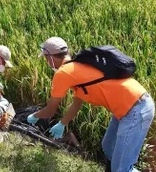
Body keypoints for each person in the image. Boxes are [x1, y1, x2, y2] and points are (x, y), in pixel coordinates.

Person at [26, 37, 155, 172]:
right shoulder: (78, 67)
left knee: (121, 169)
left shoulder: (63, 73)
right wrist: (63, 123)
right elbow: (76, 105)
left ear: (50, 58)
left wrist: (33, 116)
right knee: (108, 147)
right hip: (127, 107)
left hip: (136, 108)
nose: (47, 62)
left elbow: (50, 110)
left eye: (46, 58)